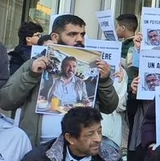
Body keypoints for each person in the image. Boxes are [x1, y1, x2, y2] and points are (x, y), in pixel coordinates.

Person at [1, 14, 118, 145]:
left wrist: (105, 81)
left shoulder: (89, 73)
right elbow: (6, 101)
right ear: (55, 37)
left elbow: (110, 107)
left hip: (79, 148)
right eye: (72, 34)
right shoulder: (34, 64)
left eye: (82, 34)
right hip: (38, 148)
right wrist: (31, 75)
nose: (79, 39)